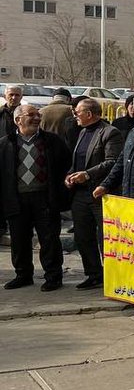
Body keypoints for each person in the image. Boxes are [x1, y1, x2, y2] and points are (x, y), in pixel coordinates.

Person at [0, 105, 69, 291]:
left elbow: (65, 166)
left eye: (38, 115)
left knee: (49, 239)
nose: (37, 118)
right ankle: (23, 275)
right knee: (19, 239)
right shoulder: (5, 144)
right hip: (17, 199)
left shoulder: (52, 141)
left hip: (45, 199)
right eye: (31, 115)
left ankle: (53, 276)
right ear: (18, 120)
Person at [64, 98, 122, 290]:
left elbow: (112, 161)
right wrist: (70, 175)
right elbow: (78, 161)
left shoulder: (109, 132)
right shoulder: (81, 132)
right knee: (82, 235)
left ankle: (113, 275)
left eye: (78, 113)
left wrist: (88, 175)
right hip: (80, 194)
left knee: (105, 236)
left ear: (89, 114)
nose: (75, 116)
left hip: (99, 193)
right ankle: (93, 273)